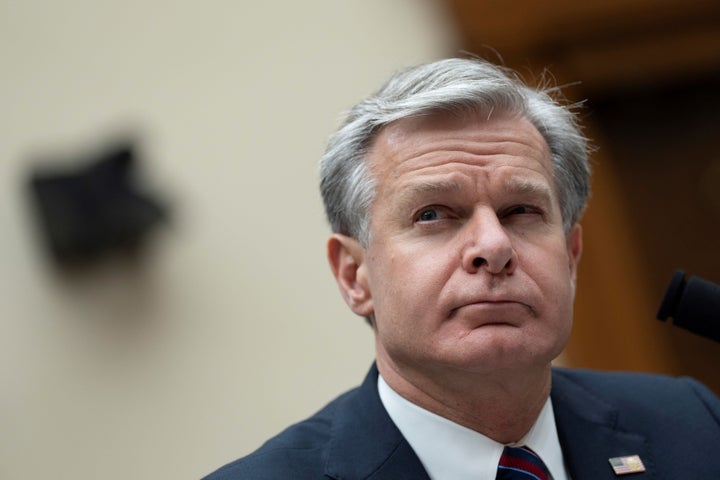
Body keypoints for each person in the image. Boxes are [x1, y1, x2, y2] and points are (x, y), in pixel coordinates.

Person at [203, 58, 720, 479]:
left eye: (521, 210)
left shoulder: (693, 424)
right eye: (433, 214)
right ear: (354, 275)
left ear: (572, 257)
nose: (494, 246)